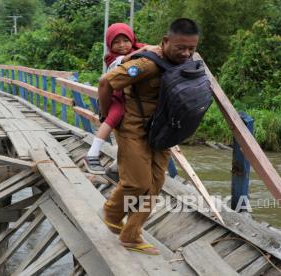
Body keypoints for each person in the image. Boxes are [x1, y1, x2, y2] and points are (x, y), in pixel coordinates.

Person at [99, 18, 200, 255]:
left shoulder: (185, 63)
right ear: (165, 42)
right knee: (138, 182)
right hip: (132, 129)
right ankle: (112, 212)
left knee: (154, 186)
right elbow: (106, 82)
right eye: (181, 48)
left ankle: (131, 235)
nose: (186, 53)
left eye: (191, 49)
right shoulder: (146, 64)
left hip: (162, 132)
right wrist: (106, 117)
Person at [84, 23, 160, 174]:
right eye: (116, 42)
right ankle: (92, 153)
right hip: (117, 96)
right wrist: (144, 49)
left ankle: (116, 167)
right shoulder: (112, 58)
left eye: (125, 40)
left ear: (132, 39)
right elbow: (126, 60)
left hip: (134, 98)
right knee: (114, 117)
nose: (122, 45)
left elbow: (157, 50)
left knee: (134, 130)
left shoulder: (137, 47)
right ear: (109, 45)